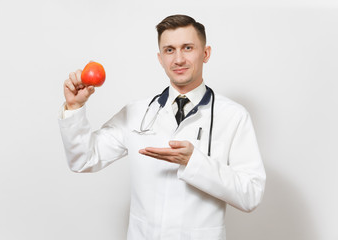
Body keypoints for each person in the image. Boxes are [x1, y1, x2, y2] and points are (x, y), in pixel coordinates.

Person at [58, 14, 266, 240]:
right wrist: (74, 107)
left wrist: (193, 162)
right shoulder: (136, 112)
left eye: (187, 48)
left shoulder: (233, 116)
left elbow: (251, 195)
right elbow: (83, 159)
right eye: (169, 50)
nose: (178, 59)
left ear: (205, 53)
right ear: (160, 58)